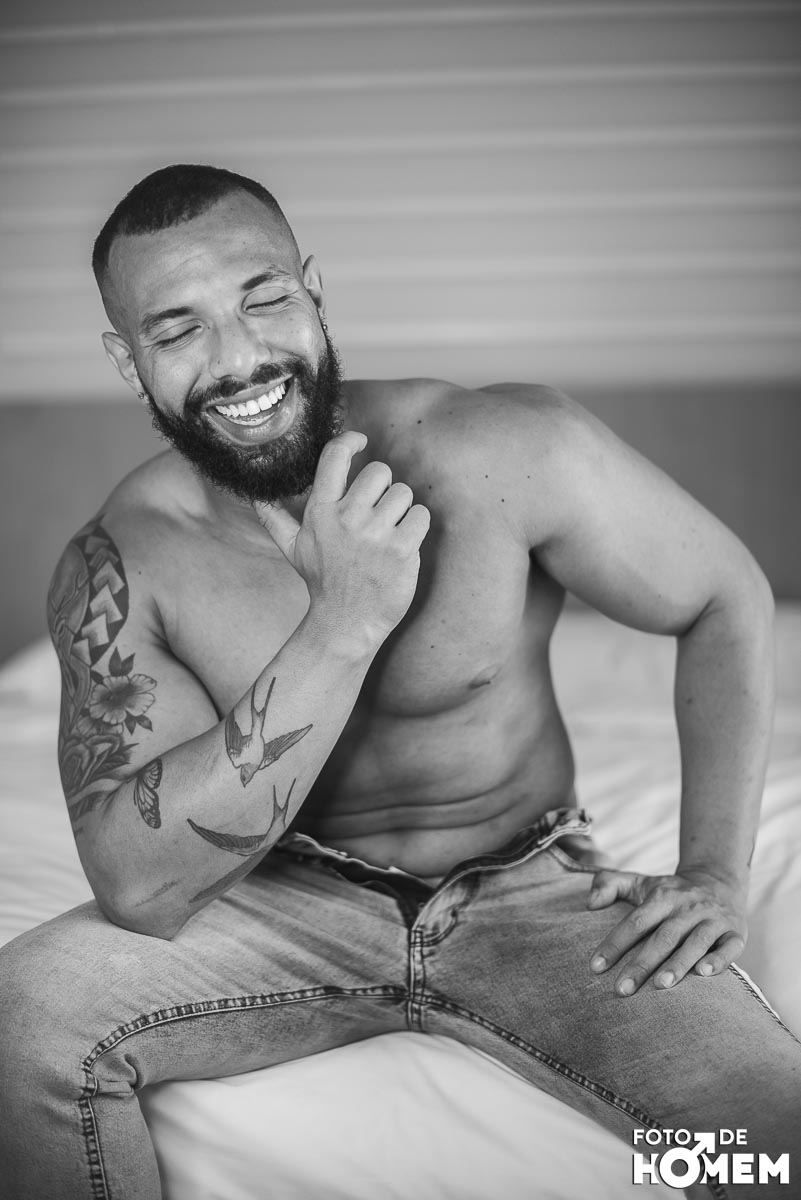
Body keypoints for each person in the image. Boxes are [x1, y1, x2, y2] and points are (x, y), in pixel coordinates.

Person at [0, 163, 798, 1200]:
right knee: (23, 1026)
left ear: (313, 291)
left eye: (262, 300)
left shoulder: (500, 449)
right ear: (129, 360)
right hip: (274, 899)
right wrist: (344, 620)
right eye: (178, 329)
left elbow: (724, 597)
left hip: (533, 891)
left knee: (773, 1140)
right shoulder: (124, 559)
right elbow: (142, 887)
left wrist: (713, 872)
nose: (238, 360)